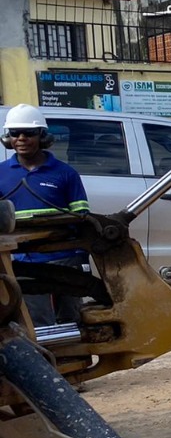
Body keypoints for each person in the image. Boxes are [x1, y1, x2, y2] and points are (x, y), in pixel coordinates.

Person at [0, 104, 90, 326]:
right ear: (7, 138)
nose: (21, 138)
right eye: (15, 133)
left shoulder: (65, 173)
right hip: (23, 260)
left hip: (64, 259)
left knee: (71, 319)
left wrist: (80, 258)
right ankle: (48, 361)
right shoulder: (1, 173)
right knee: (37, 321)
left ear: (42, 136)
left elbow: (81, 217)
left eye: (29, 133)